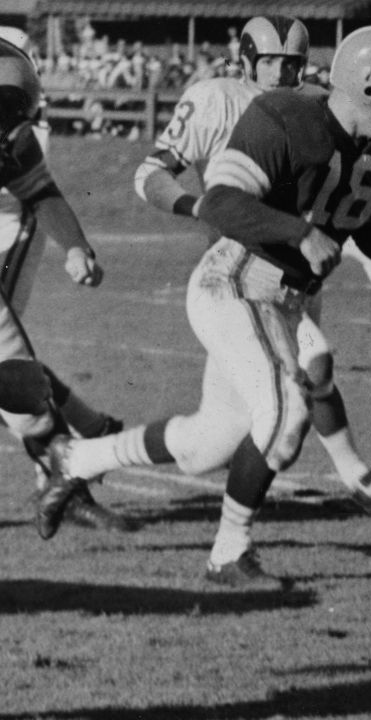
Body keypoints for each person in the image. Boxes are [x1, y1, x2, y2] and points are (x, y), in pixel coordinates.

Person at [39, 26, 371, 590]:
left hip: (285, 302)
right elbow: (221, 203)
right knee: (286, 413)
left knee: (209, 443)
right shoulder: (285, 120)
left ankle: (75, 458)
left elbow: (366, 222)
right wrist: (298, 233)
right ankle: (229, 553)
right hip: (236, 281)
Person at [131, 15, 371, 518]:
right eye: (271, 62)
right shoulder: (218, 98)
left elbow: (355, 208)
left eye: (293, 62)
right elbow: (152, 174)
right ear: (247, 58)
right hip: (239, 270)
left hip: (298, 277)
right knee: (302, 380)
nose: (281, 73)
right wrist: (202, 208)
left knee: (210, 442)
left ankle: (83, 456)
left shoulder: (323, 110)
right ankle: (353, 477)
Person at [0, 33, 136, 535]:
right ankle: (86, 441)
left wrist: (77, 246)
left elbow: (41, 190)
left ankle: (68, 471)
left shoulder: (12, 137)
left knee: (10, 370)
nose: (6, 134)